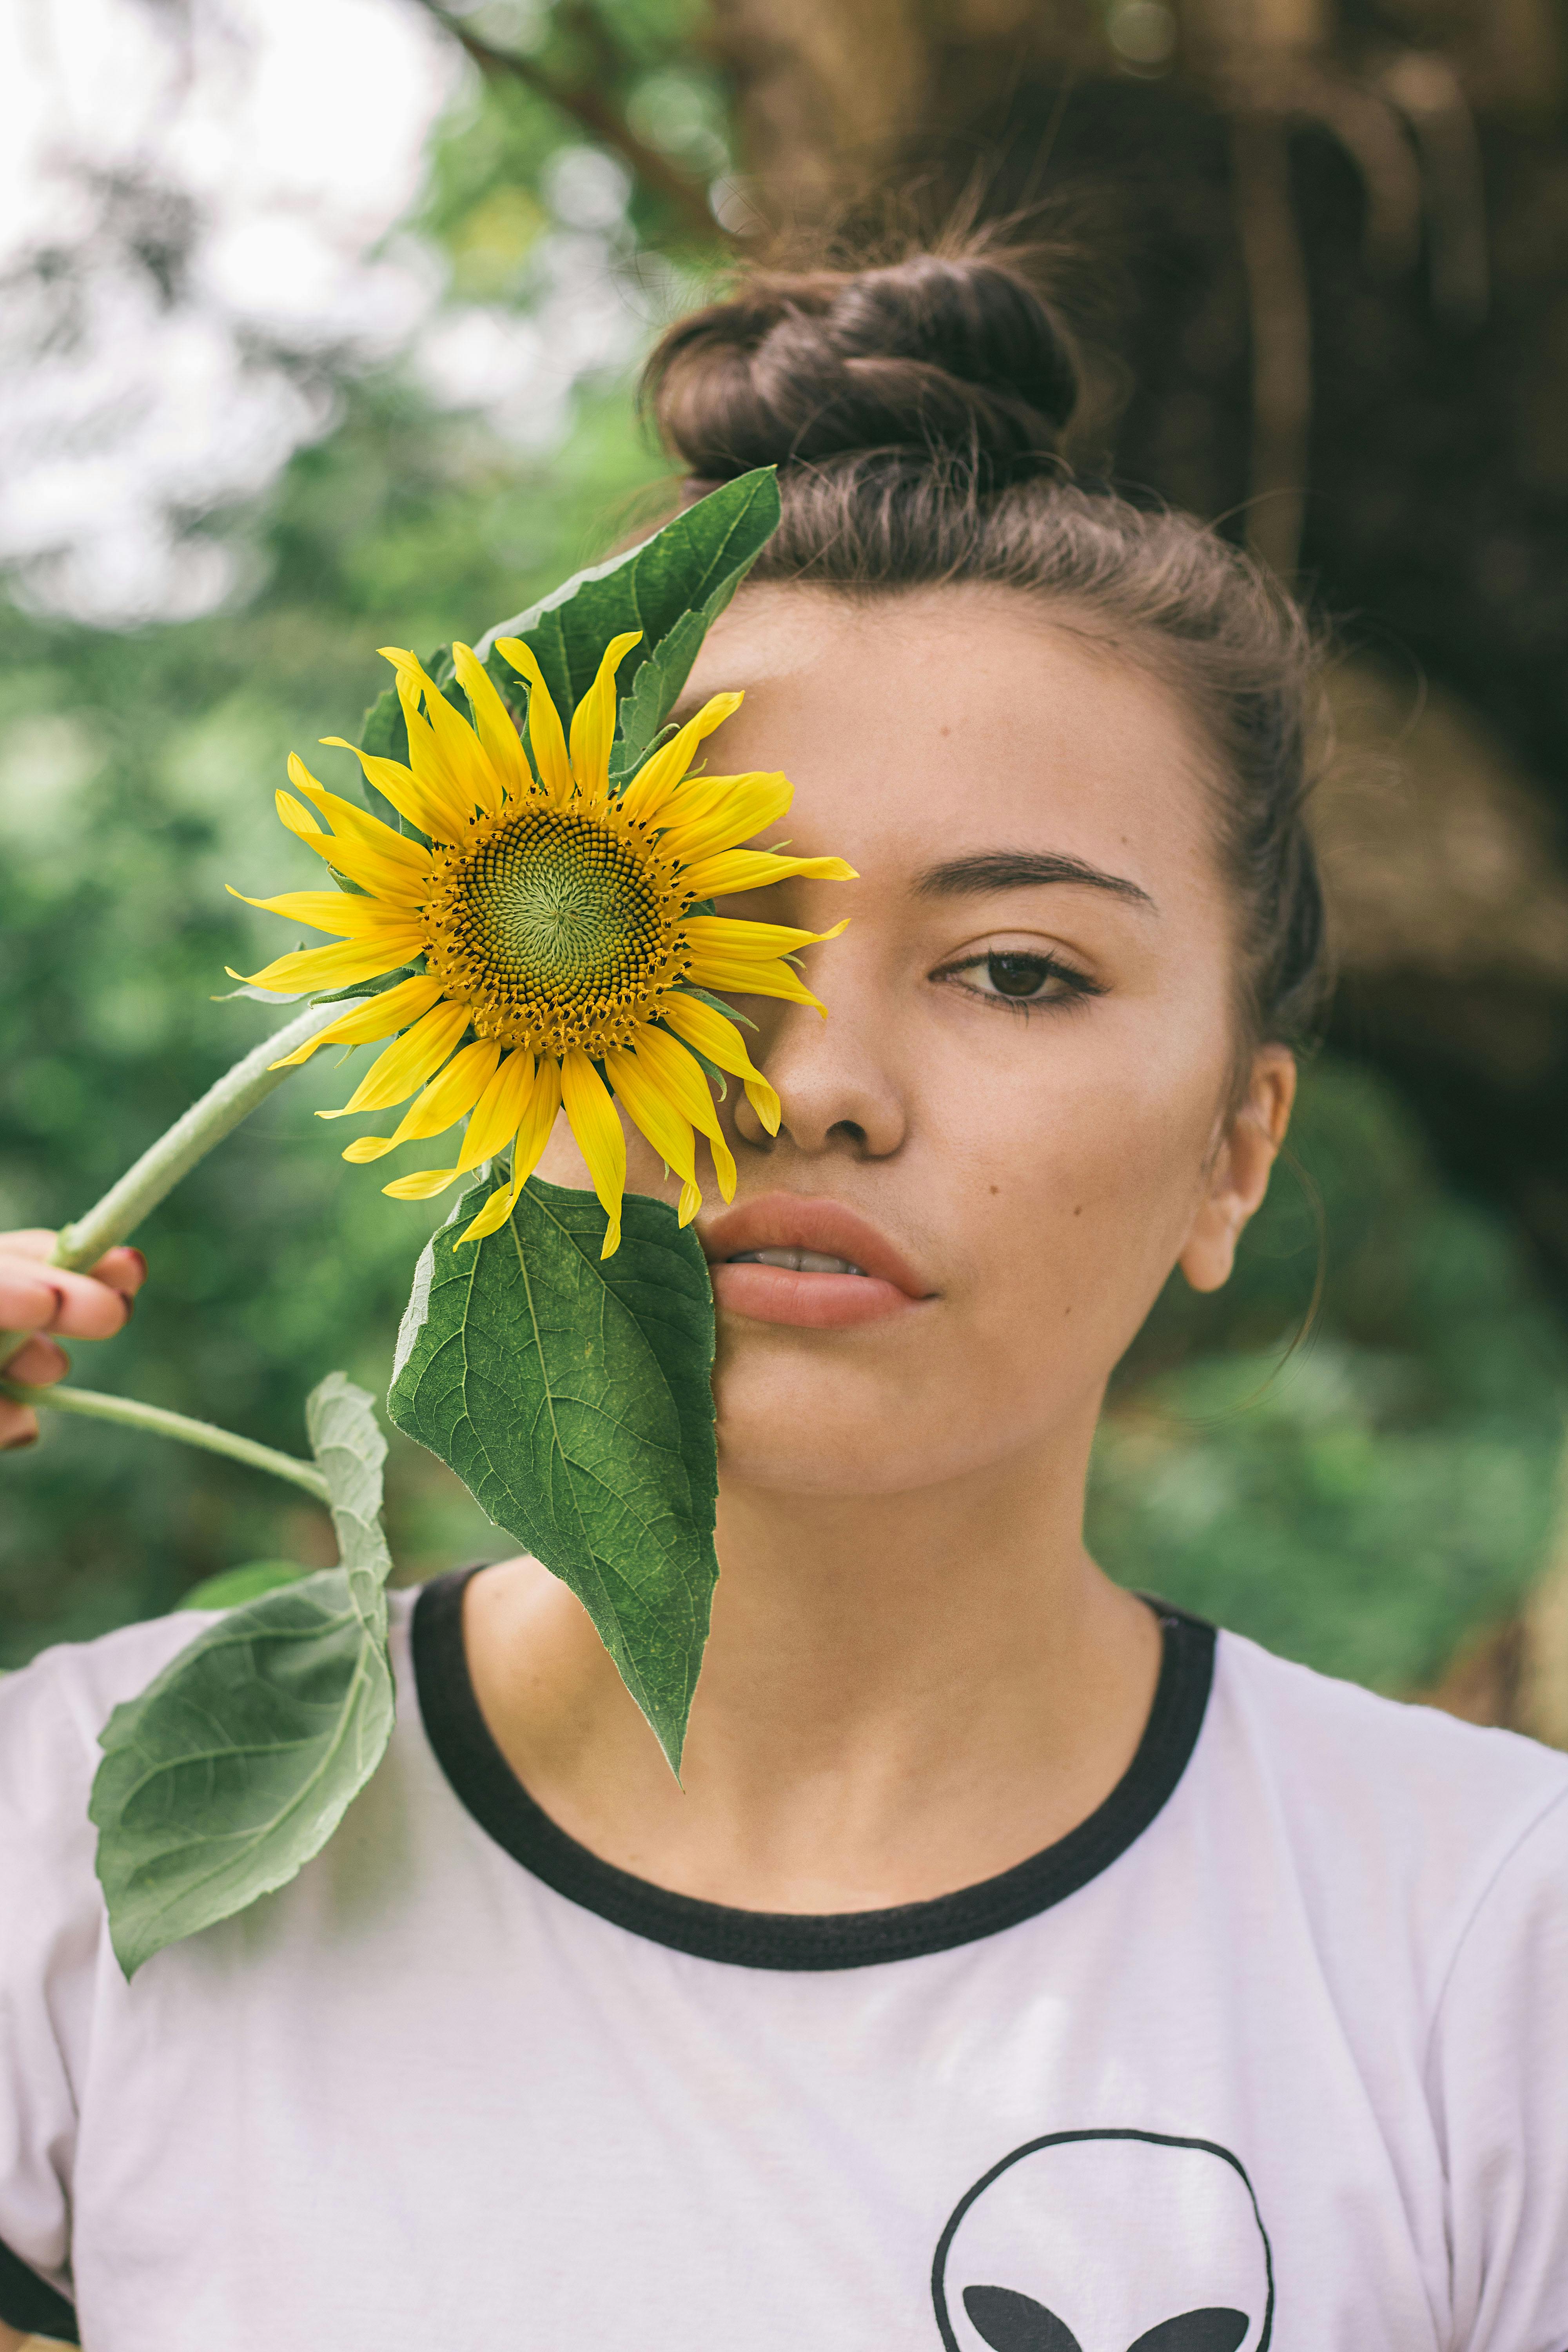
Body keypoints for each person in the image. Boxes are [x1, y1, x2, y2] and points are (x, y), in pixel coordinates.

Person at [2, 243, 1566, 2352]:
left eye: (1017, 968)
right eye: (687, 936)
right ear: (487, 1004)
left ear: (1238, 1148)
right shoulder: (81, 1852)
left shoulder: (1490, 1945)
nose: (813, 1084)